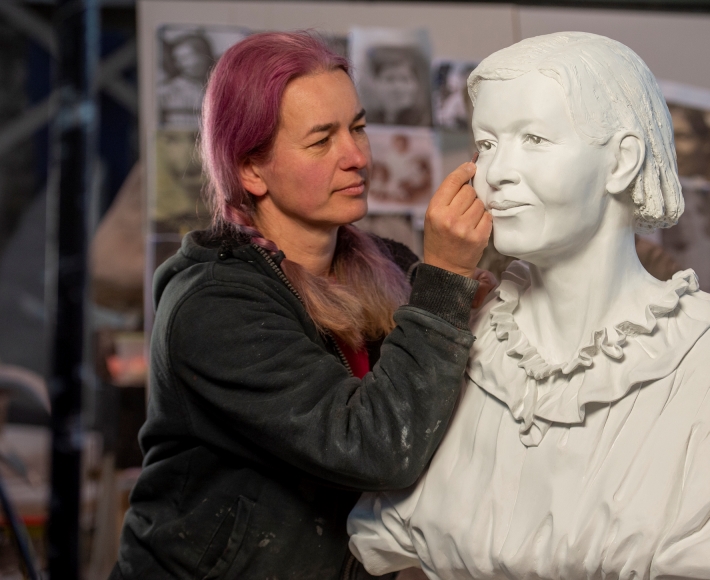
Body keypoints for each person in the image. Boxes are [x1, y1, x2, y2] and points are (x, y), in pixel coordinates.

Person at [349, 32, 710, 580]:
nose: (494, 174)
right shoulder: (452, 353)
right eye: (487, 144)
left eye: (534, 139)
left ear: (621, 162)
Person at [111, 31, 493, 580]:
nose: (357, 156)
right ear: (250, 170)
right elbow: (376, 449)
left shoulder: (386, 263)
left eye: (358, 127)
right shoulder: (212, 306)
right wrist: (446, 279)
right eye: (321, 141)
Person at [158, 31, 215, 126]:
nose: (181, 64)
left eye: (186, 58)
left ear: (204, 56)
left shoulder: (222, 87)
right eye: (178, 59)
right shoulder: (167, 91)